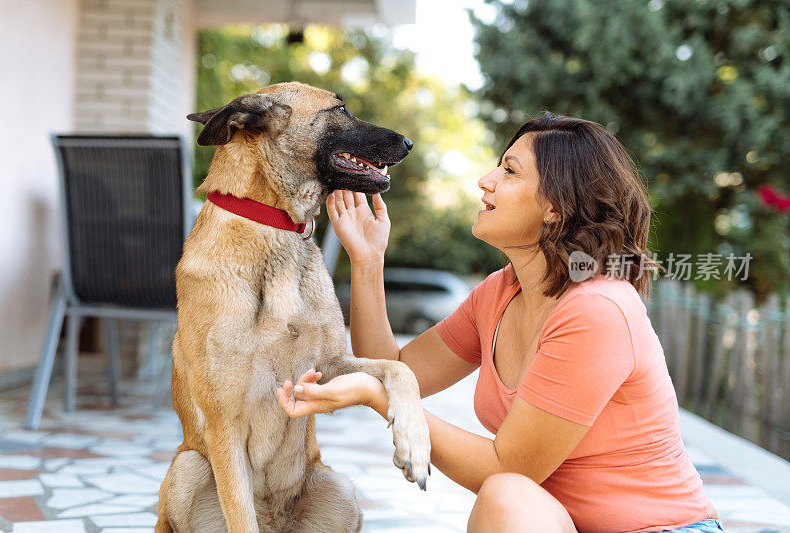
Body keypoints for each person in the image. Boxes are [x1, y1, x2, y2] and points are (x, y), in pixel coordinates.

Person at [276, 113, 723, 533]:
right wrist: (368, 261)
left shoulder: (597, 309)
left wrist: (381, 398)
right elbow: (393, 365)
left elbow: (505, 468)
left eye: (509, 171)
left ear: (555, 206)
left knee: (506, 494)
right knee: (508, 498)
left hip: (667, 528)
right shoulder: (500, 292)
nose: (485, 181)